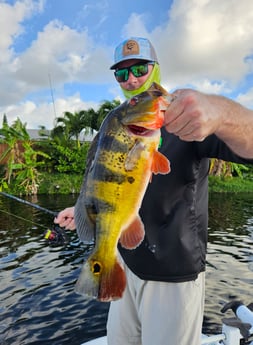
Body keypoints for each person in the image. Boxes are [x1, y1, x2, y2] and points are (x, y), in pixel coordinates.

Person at [54, 37, 253, 345]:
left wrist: (221, 113)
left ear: (156, 69)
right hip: (125, 261)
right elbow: (98, 176)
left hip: (173, 271)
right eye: (122, 73)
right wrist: (84, 209)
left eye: (140, 69)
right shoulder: (114, 122)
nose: (131, 79)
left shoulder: (190, 114)